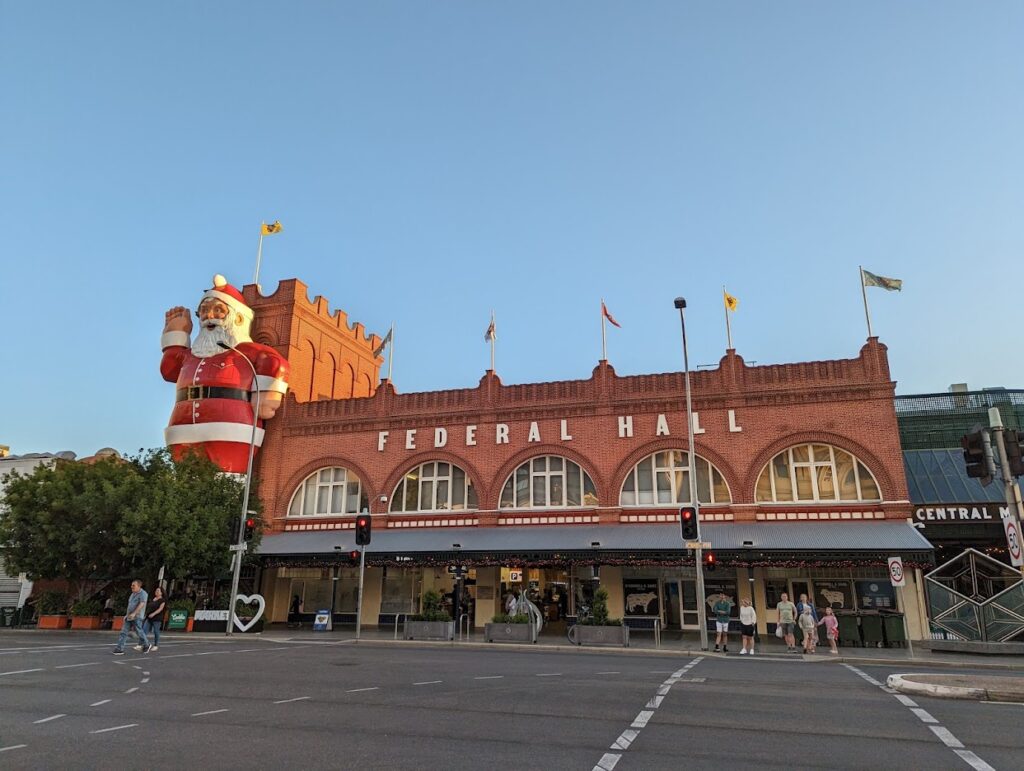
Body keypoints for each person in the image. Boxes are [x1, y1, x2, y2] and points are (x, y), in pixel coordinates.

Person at [160, 275, 291, 473]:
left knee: (226, 480)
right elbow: (169, 371)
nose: (208, 315)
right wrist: (176, 336)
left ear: (237, 318)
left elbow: (275, 362)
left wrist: (267, 394)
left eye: (218, 310)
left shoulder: (245, 352)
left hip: (230, 427)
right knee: (183, 485)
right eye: (203, 310)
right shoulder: (191, 355)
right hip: (181, 427)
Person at [113, 580, 149, 655]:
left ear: (139, 586)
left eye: (133, 585)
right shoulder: (132, 594)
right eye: (131, 585)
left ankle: (147, 644)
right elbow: (130, 605)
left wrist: (134, 613)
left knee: (139, 632)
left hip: (137, 617)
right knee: (123, 632)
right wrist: (127, 615)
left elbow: (142, 604)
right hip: (129, 617)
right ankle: (119, 649)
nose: (131, 586)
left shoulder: (143, 593)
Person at [137, 587, 166, 653]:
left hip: (157, 618)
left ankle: (156, 645)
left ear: (161, 593)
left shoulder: (162, 600)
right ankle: (140, 644)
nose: (156, 591)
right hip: (149, 617)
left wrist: (153, 614)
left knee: (156, 631)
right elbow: (148, 608)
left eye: (158, 591)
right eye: (156, 590)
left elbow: (160, 609)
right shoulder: (153, 599)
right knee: (144, 631)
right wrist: (145, 615)